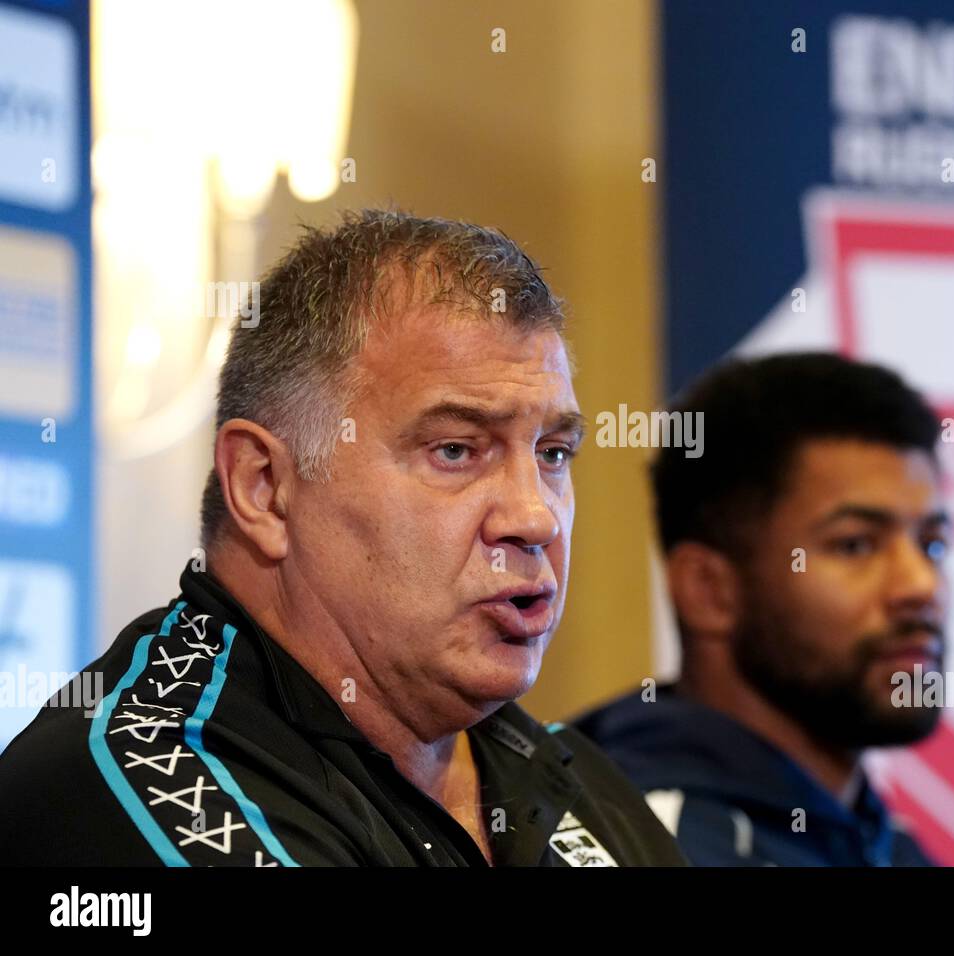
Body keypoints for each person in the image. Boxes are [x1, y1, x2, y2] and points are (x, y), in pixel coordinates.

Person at [0, 210, 686, 867]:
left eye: (553, 453)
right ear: (264, 487)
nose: (536, 518)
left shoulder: (578, 782)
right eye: (455, 450)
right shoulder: (146, 777)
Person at [574, 353, 949, 866]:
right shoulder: (641, 844)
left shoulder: (892, 848)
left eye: (932, 545)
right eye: (856, 545)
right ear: (709, 590)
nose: (921, 585)